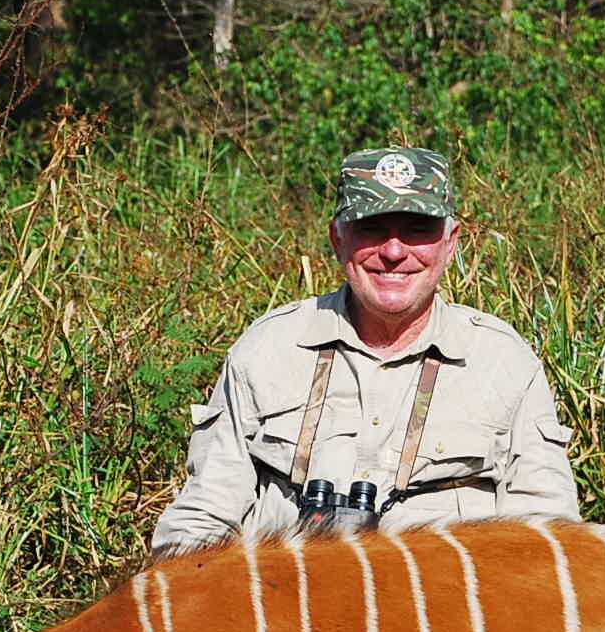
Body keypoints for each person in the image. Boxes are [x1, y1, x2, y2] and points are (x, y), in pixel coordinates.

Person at [151, 146, 579, 555]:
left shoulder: (504, 362)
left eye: (417, 229)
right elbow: (202, 519)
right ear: (338, 239)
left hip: (444, 621)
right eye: (372, 228)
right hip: (285, 611)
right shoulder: (268, 349)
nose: (394, 252)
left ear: (450, 242)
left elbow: (545, 541)